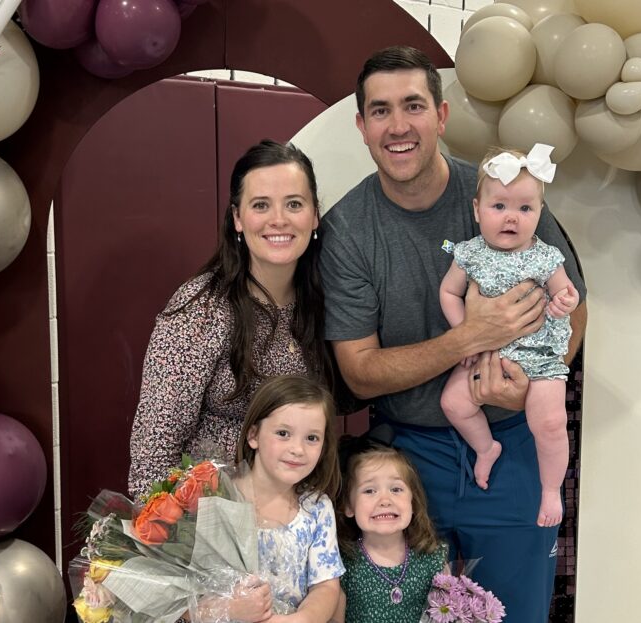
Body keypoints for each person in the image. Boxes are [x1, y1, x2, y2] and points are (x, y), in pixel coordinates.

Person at [318, 46, 587, 623]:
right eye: (381, 110)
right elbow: (359, 372)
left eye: (413, 105)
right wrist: (470, 338)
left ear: (441, 116)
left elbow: (576, 309)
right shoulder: (347, 229)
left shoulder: (503, 192)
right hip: (406, 464)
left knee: (515, 614)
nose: (398, 125)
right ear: (362, 125)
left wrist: (531, 382)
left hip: (513, 447)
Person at [128, 140, 332, 497]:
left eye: (294, 204)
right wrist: (166, 524)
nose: (279, 219)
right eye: (261, 205)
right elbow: (154, 450)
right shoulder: (203, 308)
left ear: (314, 215)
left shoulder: (326, 298)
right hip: (209, 516)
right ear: (238, 218)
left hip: (297, 513)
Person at [439, 144, 579, 528]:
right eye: (499, 206)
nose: (511, 217)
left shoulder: (545, 257)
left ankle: (550, 489)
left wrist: (564, 302)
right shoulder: (468, 254)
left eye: (525, 208)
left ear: (540, 213)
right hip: (486, 352)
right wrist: (464, 335)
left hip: (539, 357)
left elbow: (568, 293)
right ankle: (486, 448)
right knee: (453, 402)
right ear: (477, 210)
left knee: (550, 424)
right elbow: (448, 293)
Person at [228, 374, 344, 621]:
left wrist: (301, 620)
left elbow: (326, 586)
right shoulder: (217, 498)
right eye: (283, 433)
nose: (298, 449)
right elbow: (185, 590)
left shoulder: (317, 508)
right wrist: (228, 609)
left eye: (312, 438)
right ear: (254, 435)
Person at [333, 437, 447, 623]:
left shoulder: (433, 557)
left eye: (396, 489)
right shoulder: (341, 564)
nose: (385, 500)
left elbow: (448, 613)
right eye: (369, 491)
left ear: (413, 501)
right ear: (348, 506)